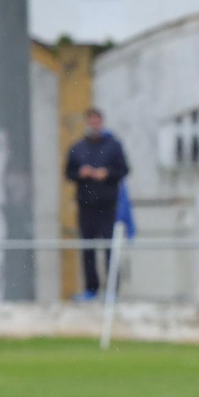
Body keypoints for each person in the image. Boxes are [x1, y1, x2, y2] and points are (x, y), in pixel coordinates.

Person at [65, 108, 130, 301]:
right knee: (88, 248)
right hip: (86, 206)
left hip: (107, 206)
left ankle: (112, 290)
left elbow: (124, 170)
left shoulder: (113, 146)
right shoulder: (77, 148)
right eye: (91, 122)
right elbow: (69, 173)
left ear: (102, 122)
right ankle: (90, 290)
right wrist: (81, 173)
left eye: (97, 121)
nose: (94, 125)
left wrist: (107, 173)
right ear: (87, 123)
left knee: (110, 247)